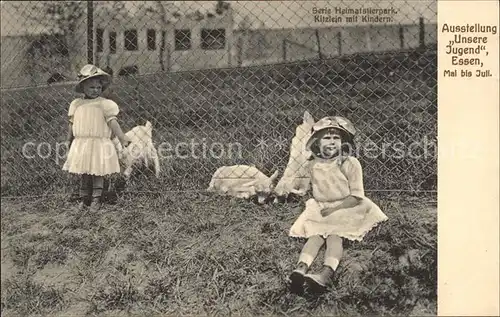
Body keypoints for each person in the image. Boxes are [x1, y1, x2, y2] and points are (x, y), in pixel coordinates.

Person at [288, 116, 388, 294]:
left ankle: (326, 273)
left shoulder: (350, 163)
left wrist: (333, 210)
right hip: (322, 206)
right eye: (327, 137)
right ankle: (301, 268)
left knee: (335, 236)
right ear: (317, 142)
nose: (332, 142)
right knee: (315, 236)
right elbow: (307, 186)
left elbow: (357, 196)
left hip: (347, 206)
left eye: (337, 138)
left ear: (344, 142)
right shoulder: (313, 164)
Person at [63, 64, 130, 211]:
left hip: (98, 143)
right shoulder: (76, 104)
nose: (96, 90)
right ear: (83, 88)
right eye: (92, 87)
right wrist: (69, 140)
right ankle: (83, 197)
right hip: (82, 143)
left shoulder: (104, 104)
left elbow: (113, 122)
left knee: (97, 171)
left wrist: (122, 137)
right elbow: (71, 124)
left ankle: (96, 198)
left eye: (99, 88)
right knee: (84, 171)